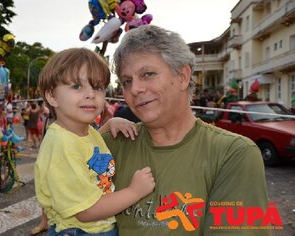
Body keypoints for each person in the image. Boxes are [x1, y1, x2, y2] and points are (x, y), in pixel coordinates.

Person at [102, 25, 270, 235]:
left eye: (147, 74)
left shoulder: (233, 153)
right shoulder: (111, 144)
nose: (135, 89)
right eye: (127, 81)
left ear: (183, 77)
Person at [35, 48, 155, 236]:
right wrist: (134, 191)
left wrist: (108, 126)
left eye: (98, 87)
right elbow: (86, 211)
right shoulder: (62, 145)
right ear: (52, 96)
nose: (90, 94)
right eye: (76, 86)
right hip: (82, 231)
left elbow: (85, 150)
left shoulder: (80, 131)